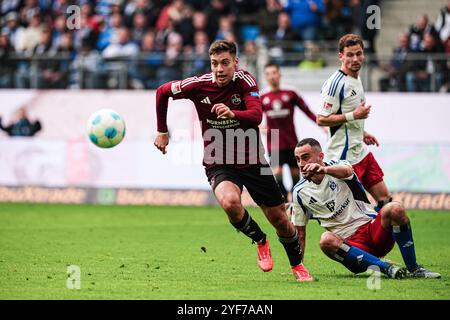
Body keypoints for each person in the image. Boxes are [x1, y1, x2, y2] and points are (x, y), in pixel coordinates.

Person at [153, 40, 313, 282]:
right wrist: (162, 131)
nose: (219, 69)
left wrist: (232, 113)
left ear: (235, 63)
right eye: (215, 63)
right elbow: (162, 91)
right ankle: (260, 239)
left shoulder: (245, 81)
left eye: (225, 63)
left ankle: (298, 266)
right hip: (219, 159)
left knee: (280, 219)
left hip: (252, 160)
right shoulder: (198, 85)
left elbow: (256, 115)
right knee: (229, 203)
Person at [291, 138, 441, 279]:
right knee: (326, 240)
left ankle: (414, 268)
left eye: (305, 157)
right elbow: (301, 234)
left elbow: (348, 172)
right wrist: (299, 268)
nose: (301, 164)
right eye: (298, 159)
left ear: (321, 156)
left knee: (395, 208)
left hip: (373, 232)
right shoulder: (299, 192)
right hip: (351, 248)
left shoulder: (338, 165)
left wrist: (323, 170)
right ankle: (386, 268)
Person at [316, 34, 391, 212]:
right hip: (343, 157)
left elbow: (348, 115)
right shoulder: (335, 84)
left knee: (385, 201)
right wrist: (353, 116)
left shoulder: (357, 78)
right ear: (340, 56)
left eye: (359, 54)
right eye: (350, 55)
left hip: (361, 152)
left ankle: (392, 240)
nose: (355, 59)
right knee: (353, 213)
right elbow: (321, 119)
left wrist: (361, 133)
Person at [260, 62, 320, 202]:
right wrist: (260, 128)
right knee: (277, 172)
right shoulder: (262, 96)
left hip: (291, 141)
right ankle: (284, 203)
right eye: (268, 74)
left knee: (296, 173)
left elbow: (307, 111)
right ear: (265, 77)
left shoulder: (290, 92)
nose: (272, 76)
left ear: (279, 74)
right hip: (273, 141)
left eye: (274, 73)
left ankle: (295, 200)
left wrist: (321, 124)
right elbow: (253, 117)